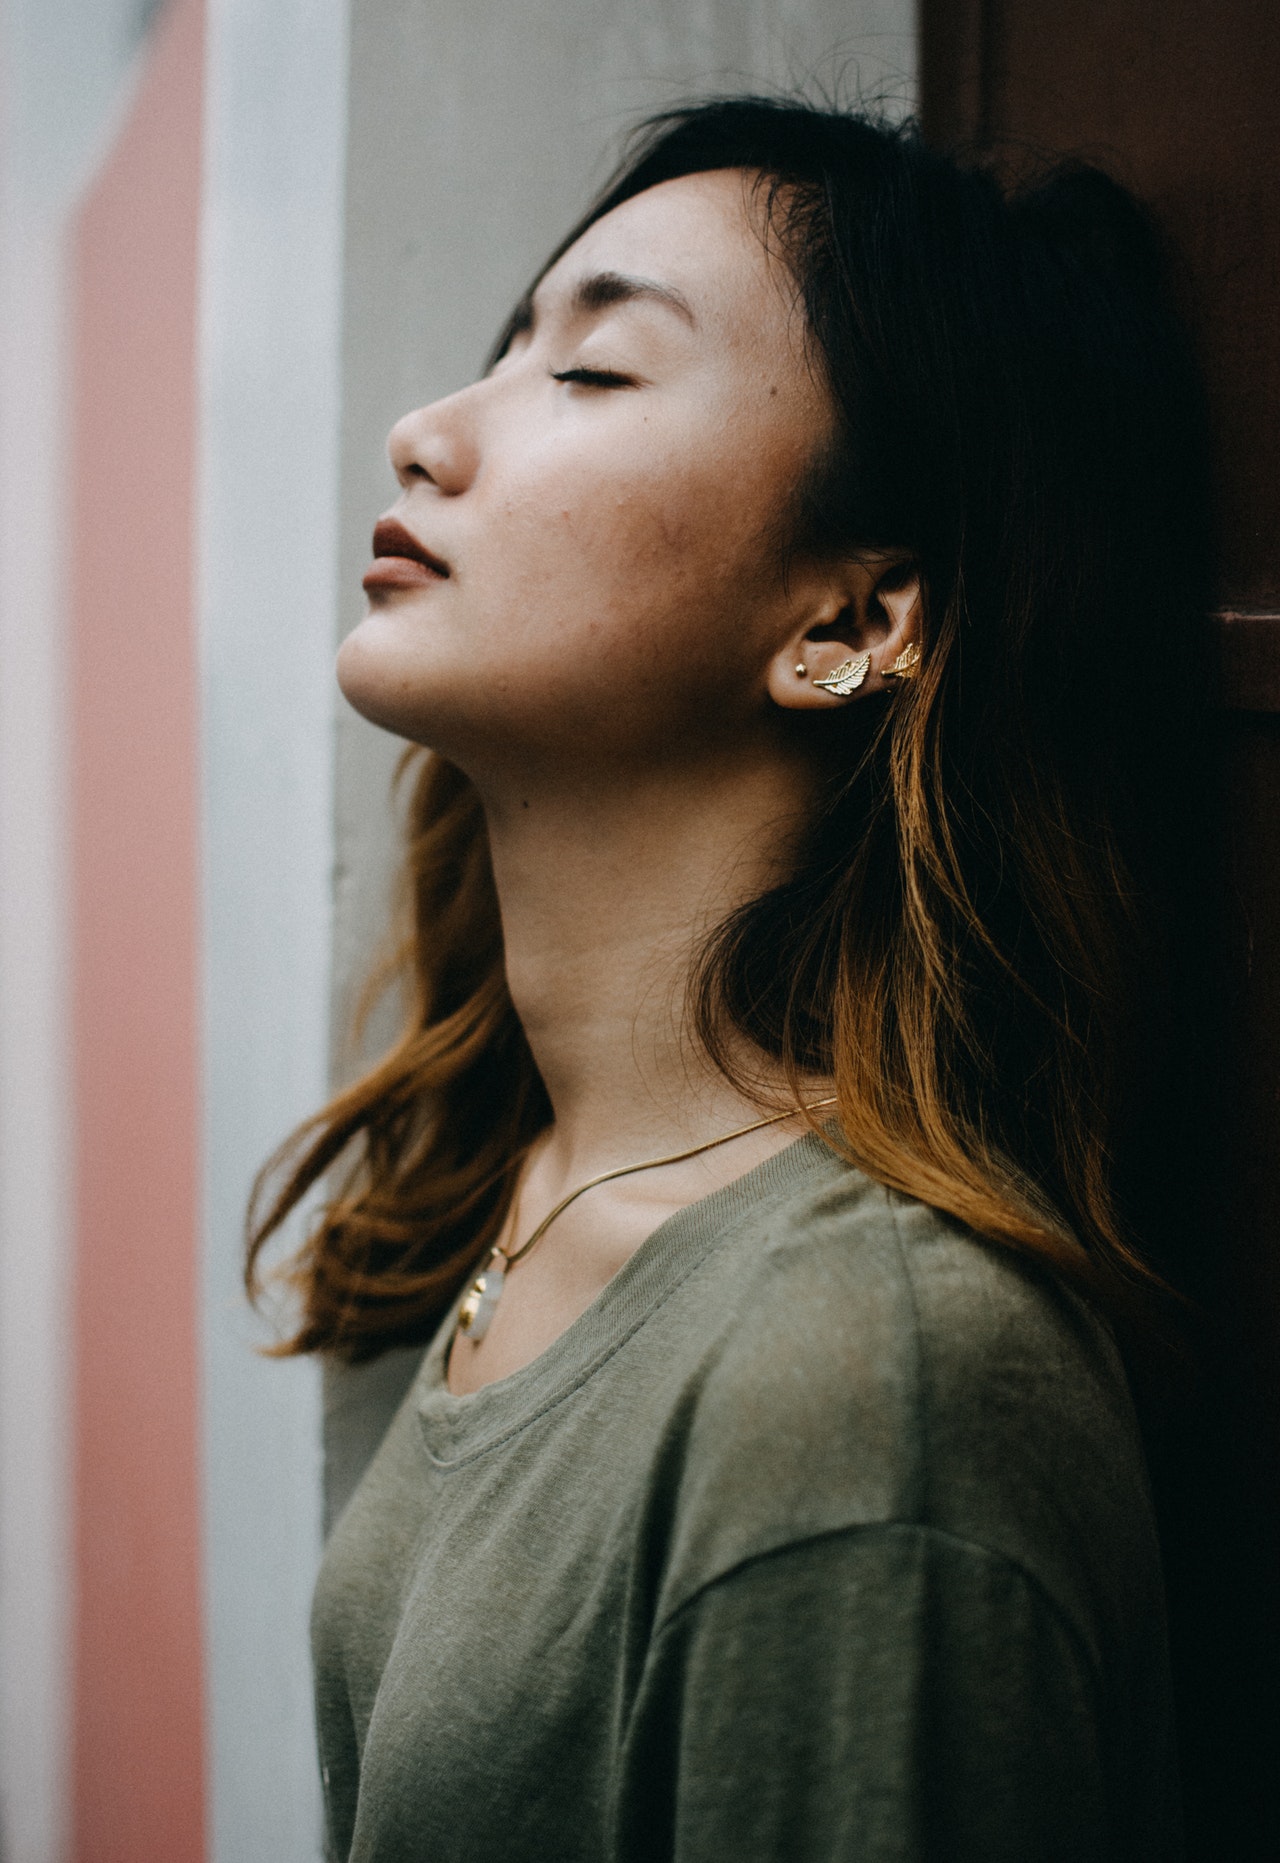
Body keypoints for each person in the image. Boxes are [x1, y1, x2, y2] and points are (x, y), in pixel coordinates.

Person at [248, 98, 1210, 1861]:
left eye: (596, 374)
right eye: (501, 352)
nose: (425, 434)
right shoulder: (534, 1186)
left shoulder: (868, 1394)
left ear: (848, 622)